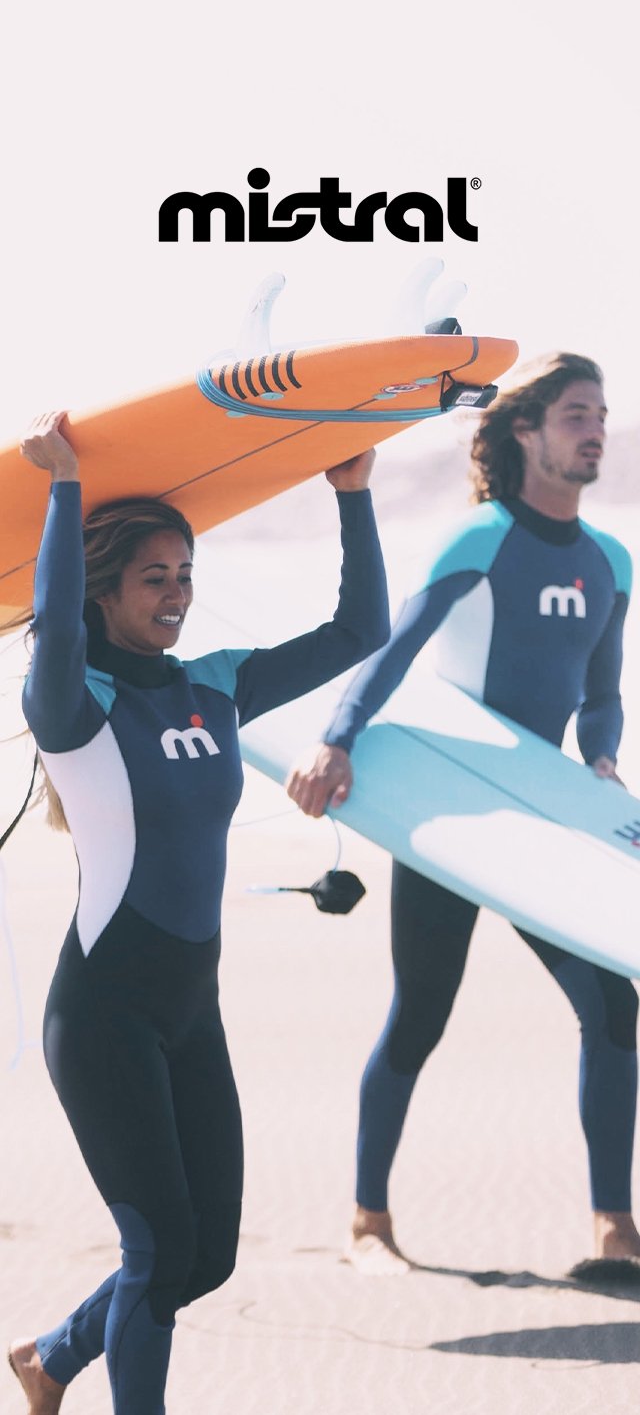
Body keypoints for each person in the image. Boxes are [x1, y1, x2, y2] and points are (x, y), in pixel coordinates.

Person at [8, 411, 389, 1413]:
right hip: (102, 1014)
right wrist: (61, 491)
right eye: (154, 579)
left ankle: (50, 1358)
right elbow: (51, 624)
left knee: (203, 1255)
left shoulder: (214, 687)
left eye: (185, 574)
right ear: (105, 590)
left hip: (189, 1011)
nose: (177, 595)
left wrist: (350, 495)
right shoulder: (72, 704)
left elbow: (360, 633)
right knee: (157, 1248)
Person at [286, 351, 639, 1277]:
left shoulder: (611, 559)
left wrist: (601, 756)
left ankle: (613, 1225)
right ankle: (368, 1221)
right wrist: (338, 737)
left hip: (540, 816)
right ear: (525, 431)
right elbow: (392, 651)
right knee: (421, 1016)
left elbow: (601, 690)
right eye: (574, 413)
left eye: (600, 413)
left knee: (611, 1003)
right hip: (453, 817)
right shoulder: (476, 540)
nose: (594, 427)